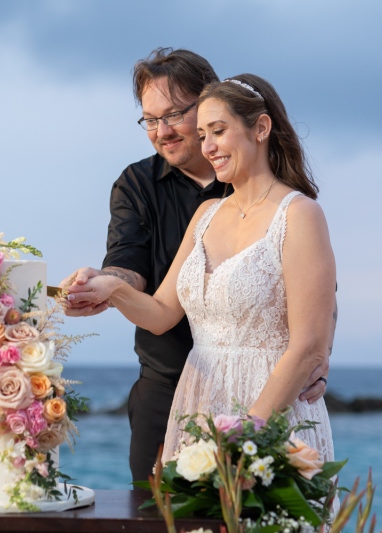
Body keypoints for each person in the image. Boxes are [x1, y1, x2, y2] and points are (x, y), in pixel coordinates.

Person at [60, 48, 332, 482]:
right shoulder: (194, 210)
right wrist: (110, 288)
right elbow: (157, 306)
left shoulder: (298, 213)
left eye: (216, 130)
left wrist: (247, 435)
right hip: (188, 398)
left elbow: (312, 326)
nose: (207, 145)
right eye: (151, 120)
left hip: (268, 406)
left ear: (260, 127)